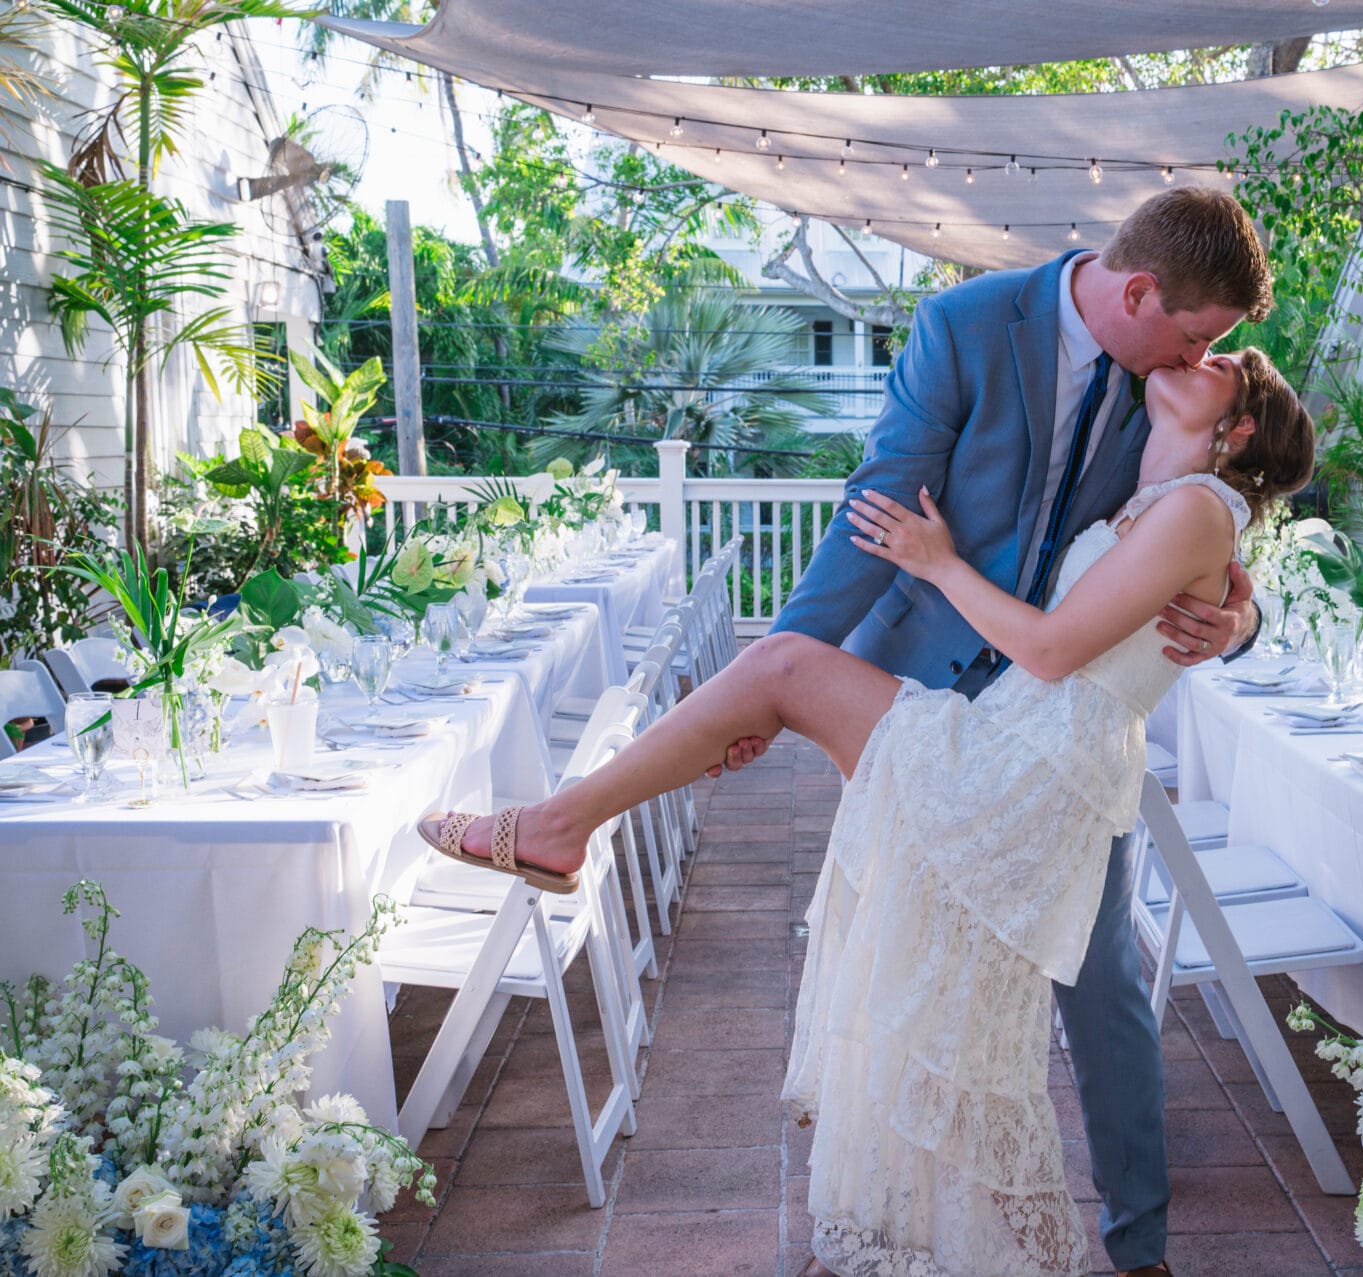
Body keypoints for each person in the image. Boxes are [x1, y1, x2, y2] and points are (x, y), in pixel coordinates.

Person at [416, 345, 1315, 1276]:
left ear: (1238, 425)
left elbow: (1051, 652)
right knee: (930, 1005)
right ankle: (899, 1241)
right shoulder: (1153, 491)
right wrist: (1237, 610)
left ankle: (562, 824)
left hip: (1031, 772)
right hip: (1021, 747)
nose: (1198, 354)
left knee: (784, 669)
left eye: (1223, 361)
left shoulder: (1200, 509)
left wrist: (938, 562)